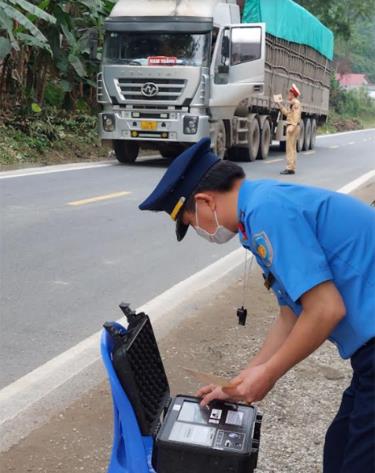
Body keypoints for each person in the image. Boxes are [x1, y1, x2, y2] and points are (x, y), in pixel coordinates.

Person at [139, 137, 375, 473]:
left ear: (206, 202)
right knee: (340, 450)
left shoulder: (267, 211)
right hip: (368, 357)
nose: (201, 232)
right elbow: (290, 314)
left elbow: (325, 309)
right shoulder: (259, 212)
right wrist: (239, 383)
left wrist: (269, 374)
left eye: (192, 223)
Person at [276, 83, 302, 175]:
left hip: (292, 126)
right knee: (292, 148)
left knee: (290, 148)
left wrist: (293, 126)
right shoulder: (293, 103)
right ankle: (292, 167)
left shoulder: (295, 103)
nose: (288, 95)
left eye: (289, 94)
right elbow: (288, 113)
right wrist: (280, 105)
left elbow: (296, 115)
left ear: (292, 94)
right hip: (293, 125)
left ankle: (290, 168)